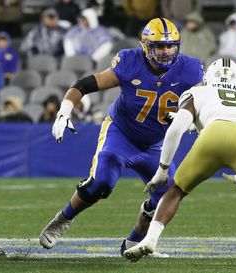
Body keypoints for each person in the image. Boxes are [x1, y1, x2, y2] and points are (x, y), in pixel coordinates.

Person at [39, 18, 203, 257]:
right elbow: (85, 84)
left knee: (167, 198)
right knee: (103, 182)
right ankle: (64, 218)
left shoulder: (191, 68)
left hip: (156, 144)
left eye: (170, 45)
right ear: (146, 45)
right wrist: (65, 110)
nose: (166, 51)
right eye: (159, 45)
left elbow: (200, 103)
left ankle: (132, 242)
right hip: (122, 134)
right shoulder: (129, 61)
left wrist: (187, 119)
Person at [123, 58, 236, 269]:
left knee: (176, 191)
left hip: (212, 138)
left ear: (208, 77)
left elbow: (176, 129)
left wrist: (163, 169)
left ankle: (150, 240)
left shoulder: (199, 92)